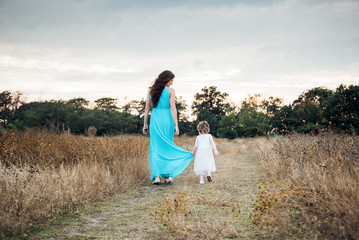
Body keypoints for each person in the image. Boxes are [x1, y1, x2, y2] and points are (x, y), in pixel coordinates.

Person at [143, 70, 193, 184]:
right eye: (171, 81)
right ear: (166, 80)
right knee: (167, 147)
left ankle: (156, 177)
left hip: (155, 120)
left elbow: (147, 108)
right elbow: (173, 108)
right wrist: (176, 125)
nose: (172, 83)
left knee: (155, 148)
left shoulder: (151, 90)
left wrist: (145, 124)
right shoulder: (171, 91)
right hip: (167, 120)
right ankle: (166, 176)